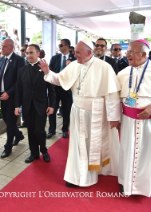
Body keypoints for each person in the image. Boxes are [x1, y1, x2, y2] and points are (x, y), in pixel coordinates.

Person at [42, 40, 121, 187]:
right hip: (77, 109)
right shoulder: (74, 65)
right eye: (75, 52)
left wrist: (114, 117)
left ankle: (94, 172)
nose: (74, 55)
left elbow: (112, 94)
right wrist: (47, 72)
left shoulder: (104, 67)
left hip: (96, 111)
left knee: (94, 144)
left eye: (78, 52)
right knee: (78, 144)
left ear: (89, 53)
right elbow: (60, 79)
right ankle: (78, 176)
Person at [117, 39, 151, 197]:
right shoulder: (123, 73)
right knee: (127, 149)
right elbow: (116, 99)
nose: (127, 55)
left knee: (149, 152)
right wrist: (115, 118)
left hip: (150, 122)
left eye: (131, 52)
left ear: (144, 54)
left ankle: (149, 184)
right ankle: (126, 181)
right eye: (128, 52)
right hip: (128, 121)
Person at [15, 44, 56, 163]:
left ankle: (44, 150)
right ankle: (34, 153)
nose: (28, 55)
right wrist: (17, 106)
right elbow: (18, 90)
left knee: (39, 130)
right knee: (31, 131)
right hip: (27, 106)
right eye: (27, 53)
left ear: (38, 53)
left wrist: (52, 105)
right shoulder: (22, 70)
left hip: (41, 106)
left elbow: (52, 90)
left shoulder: (45, 69)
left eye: (31, 53)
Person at [0, 39, 25, 158]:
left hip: (12, 97)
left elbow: (20, 80)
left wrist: (9, 92)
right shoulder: (2, 59)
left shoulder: (19, 60)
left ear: (11, 48)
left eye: (4, 47)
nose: (1, 48)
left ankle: (8, 147)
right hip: (2, 95)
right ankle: (18, 134)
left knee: (10, 123)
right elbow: (0, 75)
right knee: (7, 119)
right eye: (2, 46)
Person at [47, 39, 76, 139]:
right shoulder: (55, 58)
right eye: (59, 45)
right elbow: (50, 71)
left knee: (66, 111)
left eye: (61, 45)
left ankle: (65, 130)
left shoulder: (74, 58)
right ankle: (52, 130)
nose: (59, 47)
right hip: (55, 89)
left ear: (67, 46)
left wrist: (70, 66)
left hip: (67, 89)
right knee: (52, 110)